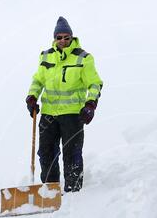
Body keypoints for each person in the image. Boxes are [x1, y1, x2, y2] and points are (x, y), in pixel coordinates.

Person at [25, 17, 103, 192]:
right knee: (46, 153)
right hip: (48, 113)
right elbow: (38, 80)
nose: (62, 41)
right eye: (59, 37)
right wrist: (32, 96)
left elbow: (95, 83)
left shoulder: (83, 58)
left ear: (72, 38)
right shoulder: (45, 56)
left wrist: (90, 104)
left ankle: (73, 190)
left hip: (73, 115)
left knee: (71, 153)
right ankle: (50, 190)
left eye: (66, 37)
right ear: (54, 38)